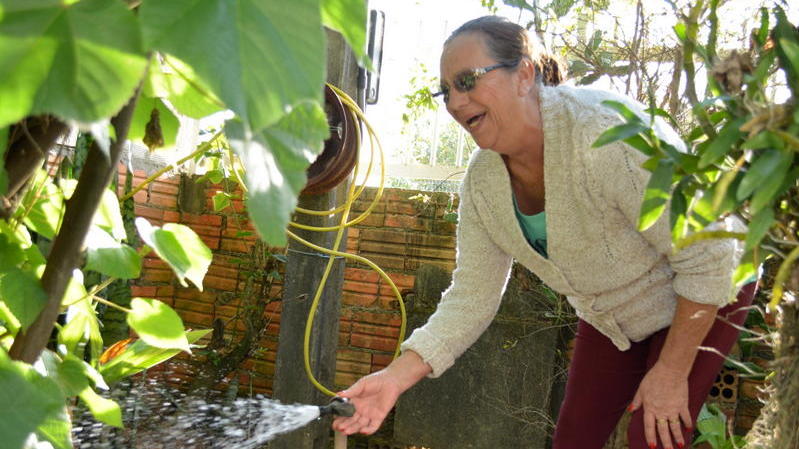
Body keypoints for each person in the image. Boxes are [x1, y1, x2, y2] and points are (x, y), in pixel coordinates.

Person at [332, 16, 755, 449]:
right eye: (447, 91)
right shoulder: (483, 183)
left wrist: (670, 371)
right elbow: (472, 297)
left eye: (468, 80)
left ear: (525, 74)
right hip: (613, 317)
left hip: (708, 288)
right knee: (573, 441)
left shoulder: (603, 133)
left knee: (655, 434)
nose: (456, 103)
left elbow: (710, 254)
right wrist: (393, 380)